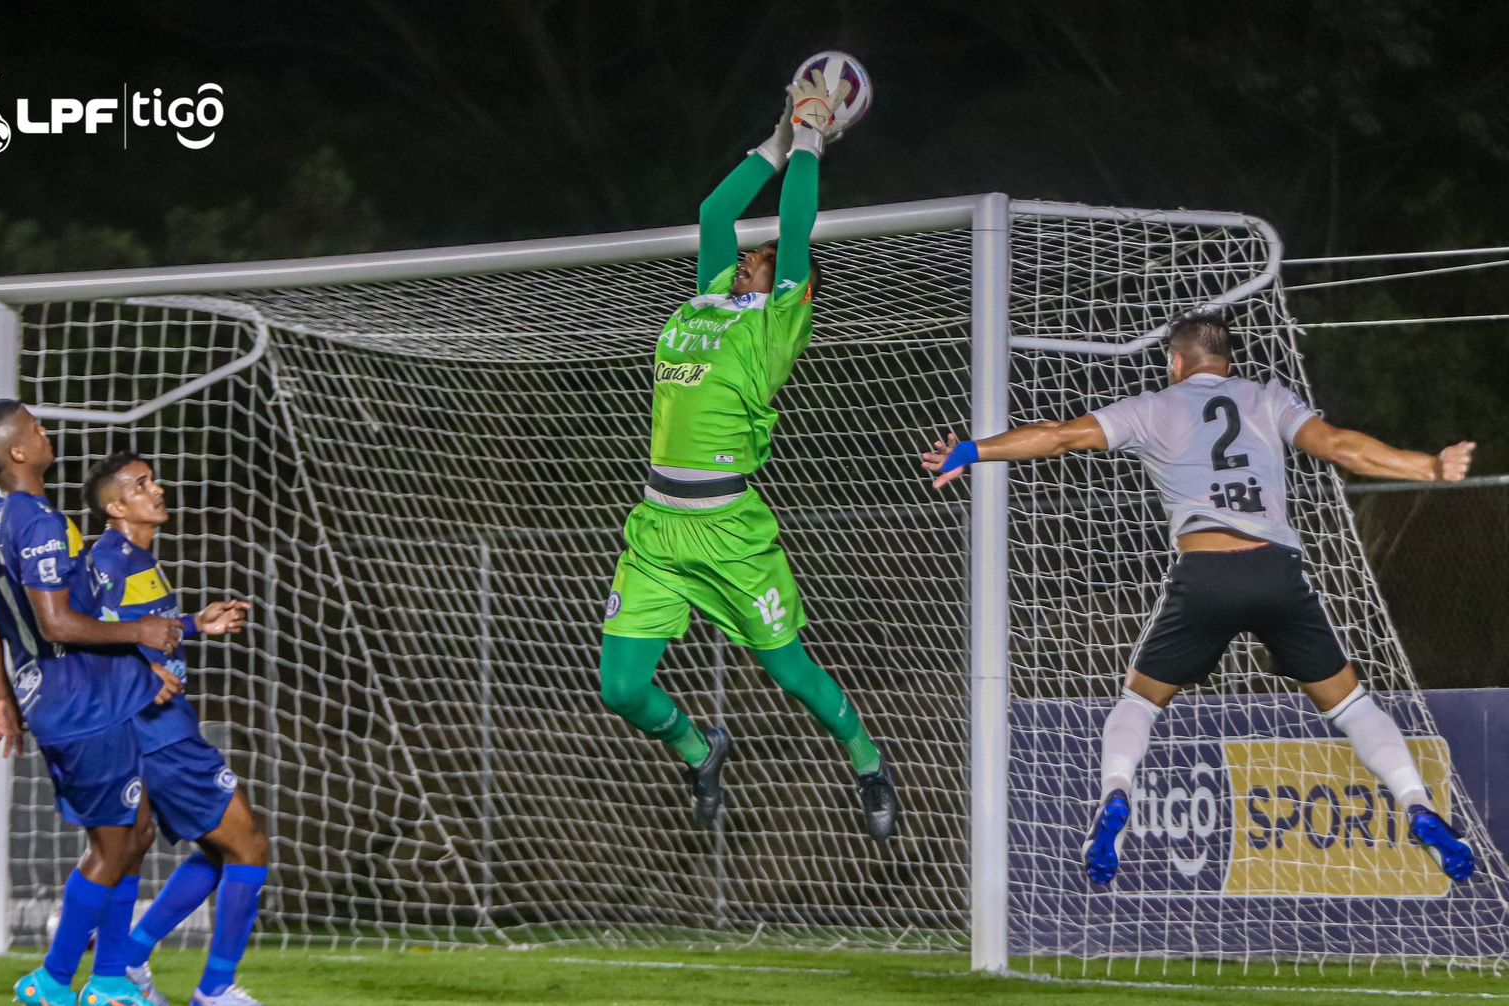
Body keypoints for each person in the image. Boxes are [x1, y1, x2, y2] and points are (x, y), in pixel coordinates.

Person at [922, 310, 1478, 885]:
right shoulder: (1266, 398)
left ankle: (1116, 796)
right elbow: (1340, 447)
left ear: (1176, 362)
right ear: (1228, 362)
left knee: (1138, 701)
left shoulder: (1151, 407)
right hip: (1275, 571)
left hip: (1205, 575)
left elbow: (1059, 436)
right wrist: (1430, 466)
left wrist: (972, 452)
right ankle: (1417, 804)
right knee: (1352, 704)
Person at [599, 69, 899, 840]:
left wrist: (811, 138)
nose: (752, 256)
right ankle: (701, 751)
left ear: (790, 287)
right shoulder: (709, 299)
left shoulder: (774, 327)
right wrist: (775, 139)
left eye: (764, 259)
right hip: (658, 529)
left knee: (787, 670)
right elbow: (713, 211)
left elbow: (795, 228)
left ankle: (867, 759)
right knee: (622, 689)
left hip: (731, 533)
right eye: (752, 255)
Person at [0, 399, 182, 1006]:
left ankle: (110, 980)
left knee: (135, 831)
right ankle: (54, 981)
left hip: (68, 695)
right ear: (17, 453)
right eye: (35, 427)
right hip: (78, 701)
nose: (45, 431)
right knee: (112, 847)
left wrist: (3, 698)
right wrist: (142, 632)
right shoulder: (40, 523)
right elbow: (56, 623)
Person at [82, 450, 268, 1006]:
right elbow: (80, 636)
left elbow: (136, 629)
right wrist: (143, 676)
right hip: (159, 733)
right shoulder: (110, 562)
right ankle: (213, 990)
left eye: (154, 480)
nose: (156, 489)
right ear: (116, 506)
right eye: (141, 484)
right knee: (250, 847)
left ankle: (133, 957)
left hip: (160, 729)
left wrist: (194, 623)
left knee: (219, 851)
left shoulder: (138, 558)